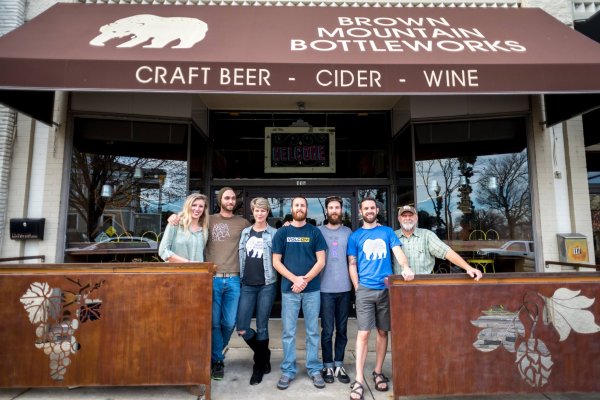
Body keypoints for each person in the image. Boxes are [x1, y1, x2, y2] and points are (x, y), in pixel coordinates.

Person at [168, 187, 250, 380]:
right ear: (220, 200)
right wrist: (174, 217)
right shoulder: (208, 219)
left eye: (232, 198)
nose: (230, 200)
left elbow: (262, 231)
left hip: (234, 279)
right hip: (211, 278)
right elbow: (190, 218)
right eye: (226, 197)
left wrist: (287, 224)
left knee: (229, 322)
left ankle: (216, 353)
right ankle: (218, 361)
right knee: (213, 323)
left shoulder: (243, 223)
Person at [347, 197, 414, 400]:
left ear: (377, 209)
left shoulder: (387, 232)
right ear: (361, 212)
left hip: (385, 290)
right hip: (365, 291)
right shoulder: (355, 236)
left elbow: (398, 253)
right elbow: (352, 263)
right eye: (365, 208)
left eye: (372, 207)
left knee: (383, 332)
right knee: (364, 334)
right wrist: (357, 287)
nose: (369, 211)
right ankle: (359, 379)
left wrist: (405, 267)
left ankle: (377, 372)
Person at [272, 196, 328, 390]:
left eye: (302, 205)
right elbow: (276, 262)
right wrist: (295, 279)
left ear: (306, 209)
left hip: (312, 290)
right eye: (296, 205)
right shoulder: (282, 233)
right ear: (291, 208)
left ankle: (314, 368)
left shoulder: (315, 232)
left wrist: (303, 280)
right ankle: (288, 370)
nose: (299, 208)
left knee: (313, 331)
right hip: (289, 291)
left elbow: (321, 261)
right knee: (289, 332)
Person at [236, 197, 278, 385]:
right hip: (247, 285)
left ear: (267, 212)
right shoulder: (245, 233)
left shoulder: (274, 234)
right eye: (256, 210)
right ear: (252, 212)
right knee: (242, 327)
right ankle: (264, 353)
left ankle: (259, 365)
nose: (260, 213)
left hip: (267, 285)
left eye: (263, 210)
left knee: (262, 326)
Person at [394, 205, 483, 280]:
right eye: (404, 216)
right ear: (399, 219)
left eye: (410, 215)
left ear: (416, 218)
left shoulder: (427, 235)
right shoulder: (391, 236)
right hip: (398, 284)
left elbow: (446, 252)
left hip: (423, 285)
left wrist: (468, 268)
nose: (407, 218)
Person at [318, 196, 352, 384]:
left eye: (337, 207)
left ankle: (339, 364)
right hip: (324, 289)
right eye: (331, 207)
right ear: (326, 211)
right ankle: (327, 365)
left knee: (342, 329)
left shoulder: (349, 232)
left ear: (341, 210)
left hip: (345, 288)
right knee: (327, 330)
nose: (334, 210)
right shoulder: (318, 231)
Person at [159, 193, 209, 263]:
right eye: (194, 205)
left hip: (197, 272)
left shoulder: (204, 230)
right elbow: (163, 251)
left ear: (204, 209)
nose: (197, 209)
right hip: (177, 272)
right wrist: (188, 262)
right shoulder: (175, 224)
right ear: (188, 206)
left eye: (201, 206)